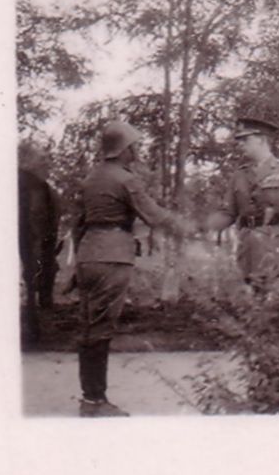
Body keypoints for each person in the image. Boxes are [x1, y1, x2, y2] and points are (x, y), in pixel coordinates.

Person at [73, 120, 192, 417]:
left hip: (88, 256)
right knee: (101, 329)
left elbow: (78, 225)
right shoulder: (127, 180)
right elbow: (154, 216)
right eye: (133, 147)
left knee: (88, 327)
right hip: (114, 256)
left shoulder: (90, 179)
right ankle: (95, 402)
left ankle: (90, 398)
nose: (136, 152)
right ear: (123, 149)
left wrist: (79, 264)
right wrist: (187, 228)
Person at [213, 117, 279, 285]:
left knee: (276, 299)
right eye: (239, 140)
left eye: (245, 139)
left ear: (261, 140)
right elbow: (228, 213)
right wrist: (202, 225)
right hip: (246, 253)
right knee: (246, 298)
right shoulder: (239, 175)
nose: (240, 144)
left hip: (277, 252)